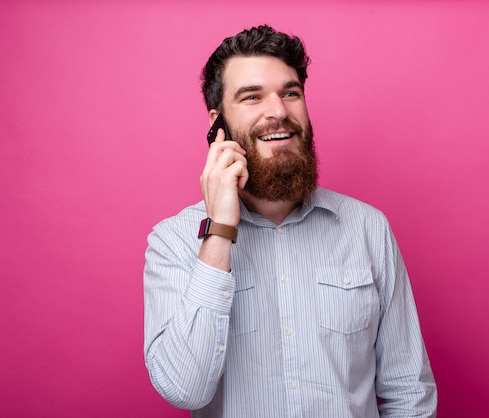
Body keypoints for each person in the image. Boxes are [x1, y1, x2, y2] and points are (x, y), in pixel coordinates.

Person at [143, 25, 437, 417]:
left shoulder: (368, 229)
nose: (279, 111)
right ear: (218, 125)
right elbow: (185, 389)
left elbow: (407, 390)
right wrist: (220, 230)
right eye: (252, 97)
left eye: (290, 93)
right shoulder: (174, 241)